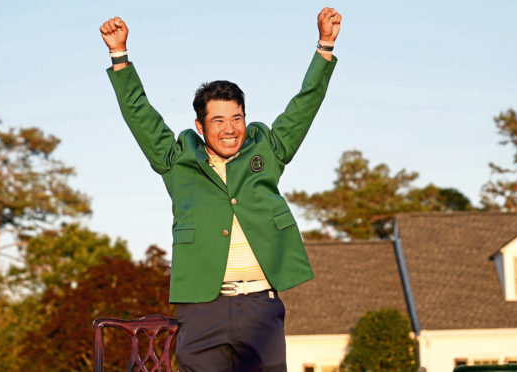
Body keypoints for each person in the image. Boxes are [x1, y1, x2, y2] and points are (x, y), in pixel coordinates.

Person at [100, 7, 341, 371]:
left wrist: (324, 46)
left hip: (261, 306)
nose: (230, 129)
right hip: (201, 308)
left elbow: (304, 105)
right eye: (218, 120)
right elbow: (141, 115)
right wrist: (119, 56)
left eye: (237, 118)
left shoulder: (268, 150)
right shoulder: (176, 161)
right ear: (200, 125)